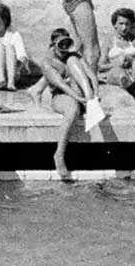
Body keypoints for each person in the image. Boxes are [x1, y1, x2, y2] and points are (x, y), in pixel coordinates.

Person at [38, 29, 97, 181]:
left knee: (72, 61)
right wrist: (77, 98)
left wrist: (95, 93)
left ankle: (88, 98)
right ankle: (59, 154)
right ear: (53, 45)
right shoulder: (47, 62)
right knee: (72, 109)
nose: (64, 47)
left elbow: (91, 76)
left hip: (82, 94)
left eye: (66, 43)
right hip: (61, 96)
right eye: (60, 44)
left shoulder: (72, 56)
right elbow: (60, 84)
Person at [97, 8, 135, 88]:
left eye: (127, 24)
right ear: (115, 25)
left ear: (131, 25)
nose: (124, 27)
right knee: (119, 74)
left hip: (134, 72)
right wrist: (115, 64)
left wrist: (131, 60)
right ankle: (127, 84)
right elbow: (100, 66)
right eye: (121, 24)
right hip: (115, 72)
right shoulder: (109, 42)